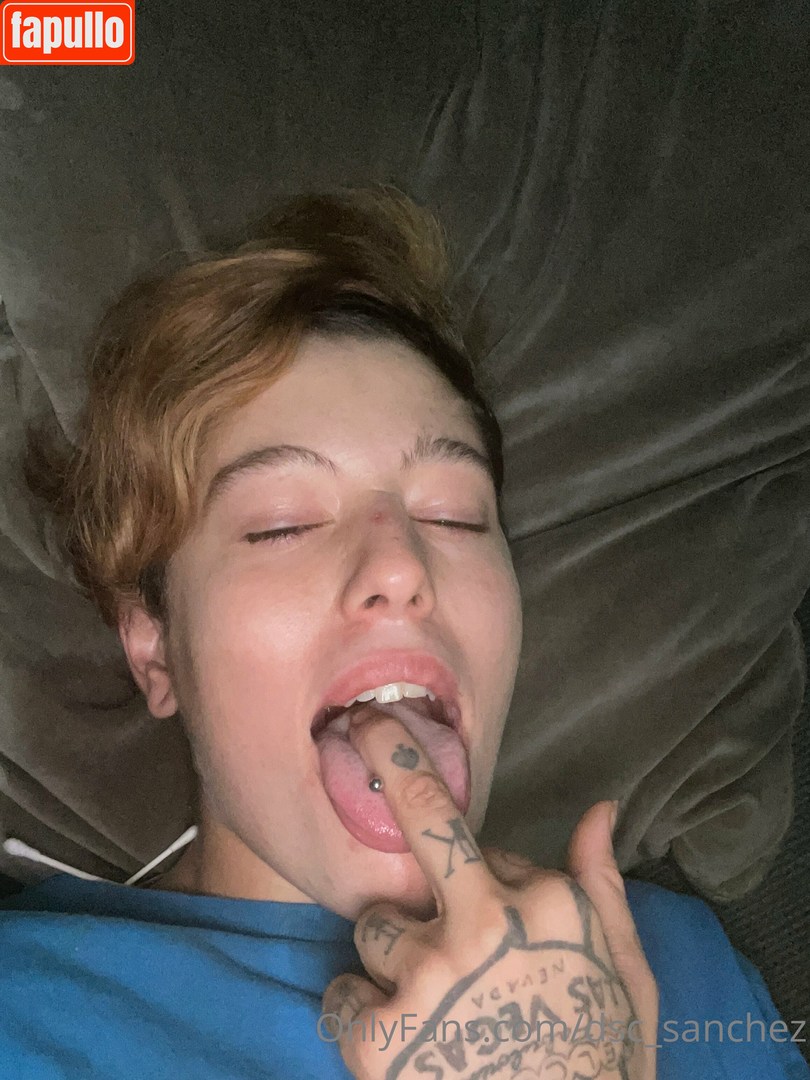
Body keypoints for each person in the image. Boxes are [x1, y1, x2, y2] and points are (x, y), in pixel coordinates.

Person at [0, 185, 806, 1080]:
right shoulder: (26, 1016)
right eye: (281, 524)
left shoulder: (673, 960)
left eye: (455, 515)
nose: (399, 565)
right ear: (155, 649)